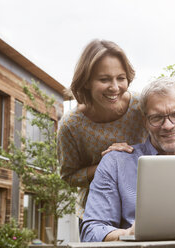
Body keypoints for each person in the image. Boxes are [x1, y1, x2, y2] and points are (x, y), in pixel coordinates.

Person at [80, 77, 175, 242]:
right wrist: (129, 234)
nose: (168, 125)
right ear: (145, 122)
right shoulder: (115, 163)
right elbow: (91, 234)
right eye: (157, 117)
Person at [57, 39, 148, 221]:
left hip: (144, 208)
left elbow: (165, 143)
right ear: (86, 82)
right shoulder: (71, 125)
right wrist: (108, 164)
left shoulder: (142, 107)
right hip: (97, 213)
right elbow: (69, 176)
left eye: (120, 78)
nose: (114, 87)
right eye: (104, 79)